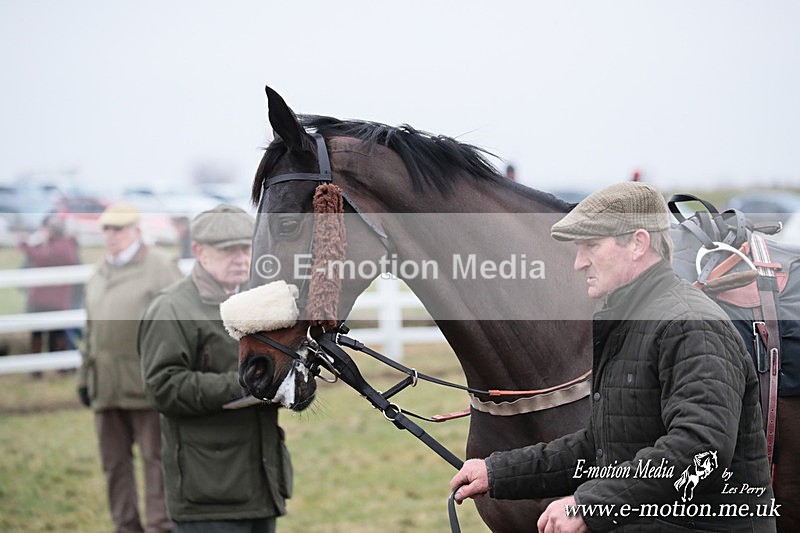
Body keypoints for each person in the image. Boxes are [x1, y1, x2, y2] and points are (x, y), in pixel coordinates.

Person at [450, 182, 775, 532]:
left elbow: (699, 450)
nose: (578, 263)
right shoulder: (631, 324)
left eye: (591, 245)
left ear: (637, 244)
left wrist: (589, 507)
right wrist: (496, 472)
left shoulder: (690, 325)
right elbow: (599, 448)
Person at [138, 205, 292, 532]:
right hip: (207, 491)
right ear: (199, 252)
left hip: (262, 481)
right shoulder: (171, 309)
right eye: (227, 250)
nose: (240, 257)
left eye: (245, 247)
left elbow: (281, 372)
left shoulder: (263, 303)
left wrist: (295, 382)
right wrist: (248, 384)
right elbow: (162, 388)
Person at [78, 203, 181, 533]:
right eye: (107, 230)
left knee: (156, 463)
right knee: (114, 465)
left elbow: (178, 322)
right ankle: (125, 526)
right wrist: (85, 377)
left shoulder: (161, 267)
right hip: (106, 387)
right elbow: (90, 330)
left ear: (137, 231)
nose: (111, 237)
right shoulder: (99, 272)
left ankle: (159, 527)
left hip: (146, 385)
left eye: (119, 230)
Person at [18, 214, 80, 362]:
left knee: (57, 334)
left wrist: (27, 247)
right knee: (37, 334)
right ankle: (36, 368)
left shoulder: (65, 245)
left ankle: (60, 367)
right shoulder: (43, 242)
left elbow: (46, 257)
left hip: (56, 299)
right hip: (39, 297)